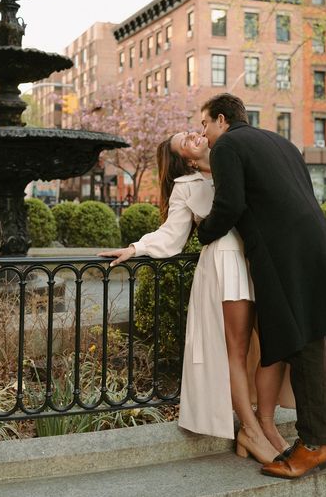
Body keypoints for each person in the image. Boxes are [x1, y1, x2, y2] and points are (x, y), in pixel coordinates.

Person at [99, 131, 294, 463]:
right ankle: (249, 429)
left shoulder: (232, 158)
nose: (193, 134)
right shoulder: (186, 186)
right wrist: (137, 247)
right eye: (184, 141)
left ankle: (265, 423)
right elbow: (173, 233)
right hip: (226, 259)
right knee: (237, 349)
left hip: (260, 256)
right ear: (187, 159)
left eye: (191, 131)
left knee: (274, 345)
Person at [196, 93, 326, 479]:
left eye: (204, 124)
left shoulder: (227, 146)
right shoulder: (280, 141)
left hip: (283, 249)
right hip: (318, 236)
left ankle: (314, 445)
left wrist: (203, 231)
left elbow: (230, 204)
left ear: (221, 119)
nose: (203, 135)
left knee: (301, 337)